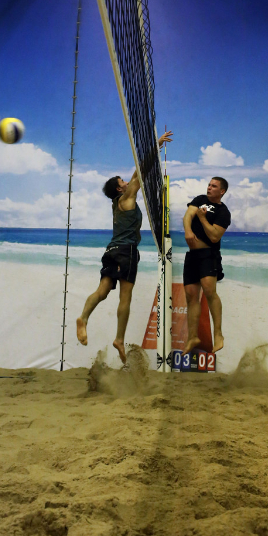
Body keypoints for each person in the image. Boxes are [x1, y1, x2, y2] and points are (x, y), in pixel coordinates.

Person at [76, 131, 173, 364]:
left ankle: (83, 318)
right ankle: (119, 339)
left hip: (111, 250)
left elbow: (136, 176)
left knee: (102, 291)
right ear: (120, 189)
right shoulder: (128, 197)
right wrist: (156, 145)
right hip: (126, 252)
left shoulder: (117, 204)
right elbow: (141, 172)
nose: (127, 182)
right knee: (125, 297)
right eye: (123, 182)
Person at [182, 177, 231, 355]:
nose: (209, 188)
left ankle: (218, 334)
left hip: (209, 255)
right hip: (192, 255)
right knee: (190, 296)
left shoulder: (223, 212)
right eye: (209, 185)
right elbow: (188, 215)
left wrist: (202, 218)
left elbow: (214, 236)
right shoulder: (200, 199)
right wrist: (188, 231)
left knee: (209, 292)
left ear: (222, 191)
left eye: (214, 186)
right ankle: (192, 337)